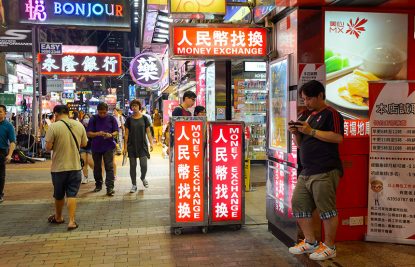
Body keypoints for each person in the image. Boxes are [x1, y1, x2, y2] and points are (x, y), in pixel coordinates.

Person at [287, 80, 344, 261]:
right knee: (298, 204)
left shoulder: (332, 114)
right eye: (304, 99)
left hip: (325, 169)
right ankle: (310, 241)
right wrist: (296, 132)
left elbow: (337, 138)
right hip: (306, 170)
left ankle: (329, 246)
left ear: (320, 95)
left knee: (326, 209)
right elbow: (300, 144)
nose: (307, 103)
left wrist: (311, 131)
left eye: (309, 98)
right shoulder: (306, 115)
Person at [45, 105, 88, 230]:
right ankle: (72, 221)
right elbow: (84, 143)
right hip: (75, 166)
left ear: (56, 114)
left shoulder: (53, 126)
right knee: (72, 194)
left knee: (59, 195)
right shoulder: (79, 125)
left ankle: (58, 217)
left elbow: (48, 147)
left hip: (58, 167)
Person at [87, 102, 119, 196]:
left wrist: (111, 134)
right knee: (97, 167)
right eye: (100, 112)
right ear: (97, 111)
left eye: (104, 112)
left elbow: (116, 131)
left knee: (109, 166)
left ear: (107, 111)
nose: (102, 114)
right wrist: (98, 133)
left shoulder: (111, 118)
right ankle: (98, 184)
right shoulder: (93, 119)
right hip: (96, 146)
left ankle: (110, 187)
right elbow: (88, 133)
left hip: (108, 146)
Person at [124, 100, 153, 193]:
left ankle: (143, 177)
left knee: (144, 165)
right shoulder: (129, 119)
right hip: (131, 145)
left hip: (142, 145)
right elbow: (126, 134)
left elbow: (148, 132)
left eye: (136, 106)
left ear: (139, 107)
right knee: (132, 166)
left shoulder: (145, 118)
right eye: (132, 106)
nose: (134, 107)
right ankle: (134, 185)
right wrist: (125, 148)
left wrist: (151, 143)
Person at [0, 105, 16, 203]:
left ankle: (0, 194)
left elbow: (13, 142)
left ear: (5, 113)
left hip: (1, 153)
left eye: (0, 111)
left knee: (0, 175)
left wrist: (10, 155)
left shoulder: (8, 126)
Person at [80, 114, 94, 184]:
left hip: (90, 146)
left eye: (87, 117)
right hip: (82, 146)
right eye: (85, 117)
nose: (86, 119)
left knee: (91, 162)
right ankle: (85, 177)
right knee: (84, 163)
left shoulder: (92, 126)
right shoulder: (80, 126)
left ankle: (97, 176)